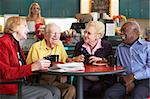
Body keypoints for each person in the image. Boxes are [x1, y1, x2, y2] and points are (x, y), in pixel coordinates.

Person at [0, 16, 60, 99]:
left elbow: (22, 67)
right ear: (15, 27)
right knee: (46, 94)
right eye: (25, 26)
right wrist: (32, 67)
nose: (28, 30)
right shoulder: (3, 43)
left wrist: (38, 65)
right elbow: (5, 73)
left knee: (55, 91)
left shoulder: (15, 44)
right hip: (9, 88)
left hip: (22, 83)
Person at [26, 23, 76, 99]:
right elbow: (29, 69)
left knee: (71, 89)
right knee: (56, 91)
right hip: (40, 81)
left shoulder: (60, 44)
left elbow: (65, 61)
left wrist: (70, 62)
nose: (56, 35)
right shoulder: (36, 47)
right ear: (45, 35)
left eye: (58, 33)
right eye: (53, 33)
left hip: (56, 80)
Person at [104, 21, 150, 99]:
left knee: (136, 96)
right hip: (125, 79)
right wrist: (126, 80)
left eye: (124, 30)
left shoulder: (147, 46)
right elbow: (118, 66)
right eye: (121, 31)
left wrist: (133, 77)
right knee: (109, 94)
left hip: (145, 80)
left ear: (136, 32)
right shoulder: (120, 48)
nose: (121, 33)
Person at [72, 21, 115, 98]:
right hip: (84, 78)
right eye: (85, 32)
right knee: (80, 87)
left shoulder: (106, 46)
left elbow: (113, 62)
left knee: (97, 89)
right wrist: (75, 59)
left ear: (98, 36)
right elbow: (71, 60)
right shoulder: (79, 45)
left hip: (102, 79)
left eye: (89, 33)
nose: (85, 35)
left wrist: (102, 60)